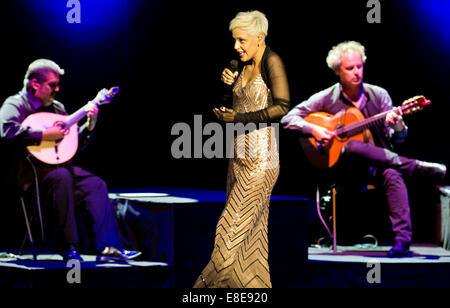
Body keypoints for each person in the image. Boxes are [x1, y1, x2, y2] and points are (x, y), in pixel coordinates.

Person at [281, 41, 447, 257]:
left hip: (377, 166)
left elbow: (396, 139)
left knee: (392, 173)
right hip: (343, 171)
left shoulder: (379, 96)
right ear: (337, 70)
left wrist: (397, 125)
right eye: (350, 68)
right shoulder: (327, 97)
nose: (356, 72)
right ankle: (413, 166)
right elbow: (288, 119)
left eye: (359, 66)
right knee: (351, 146)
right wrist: (314, 130)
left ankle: (402, 243)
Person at [0, 59, 141, 262]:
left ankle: (109, 247)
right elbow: (7, 131)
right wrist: (44, 134)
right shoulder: (15, 105)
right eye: (52, 84)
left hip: (58, 169)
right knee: (62, 177)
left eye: (57, 84)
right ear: (35, 84)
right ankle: (68, 246)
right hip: (30, 176)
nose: (57, 89)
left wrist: (90, 125)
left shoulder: (57, 108)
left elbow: (71, 145)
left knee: (95, 184)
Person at [194, 10, 290, 288]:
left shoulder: (272, 62)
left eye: (242, 40)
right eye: (235, 40)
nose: (236, 46)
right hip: (237, 157)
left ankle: (202, 291)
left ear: (260, 38)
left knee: (229, 229)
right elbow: (233, 105)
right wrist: (225, 90)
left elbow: (283, 107)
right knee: (251, 240)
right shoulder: (237, 63)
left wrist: (238, 119)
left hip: (262, 159)